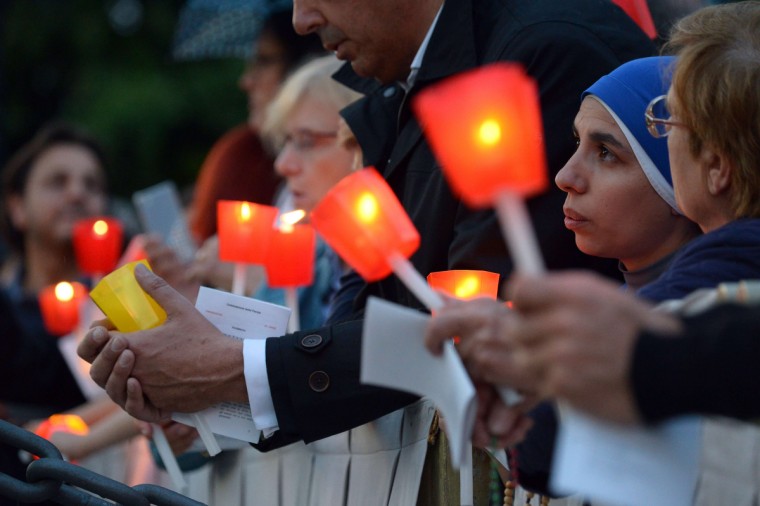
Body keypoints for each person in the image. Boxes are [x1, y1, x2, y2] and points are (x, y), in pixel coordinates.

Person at [79, 0, 655, 503]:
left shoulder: (540, 51)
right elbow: (376, 301)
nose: (302, 19)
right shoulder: (405, 74)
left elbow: (478, 318)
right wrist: (219, 404)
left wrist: (233, 371)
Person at [425, 0, 760, 440]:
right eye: (576, 143)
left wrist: (532, 371)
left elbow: (553, 442)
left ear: (716, 165)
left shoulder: (721, 280)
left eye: (607, 153)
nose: (565, 177)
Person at [0, 122, 156, 499]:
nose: (77, 193)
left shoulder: (138, 296)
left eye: (92, 185)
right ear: (17, 208)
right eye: (58, 182)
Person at [186, 8, 324, 245]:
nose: (246, 81)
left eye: (264, 61)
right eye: (289, 141)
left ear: (303, 65)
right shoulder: (242, 153)